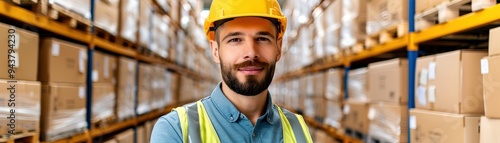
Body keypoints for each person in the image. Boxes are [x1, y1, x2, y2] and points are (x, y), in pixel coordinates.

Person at [151, 0, 313, 142]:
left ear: (278, 48)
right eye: (235, 39)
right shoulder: (176, 129)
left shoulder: (297, 127)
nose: (251, 52)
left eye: (262, 39)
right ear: (215, 51)